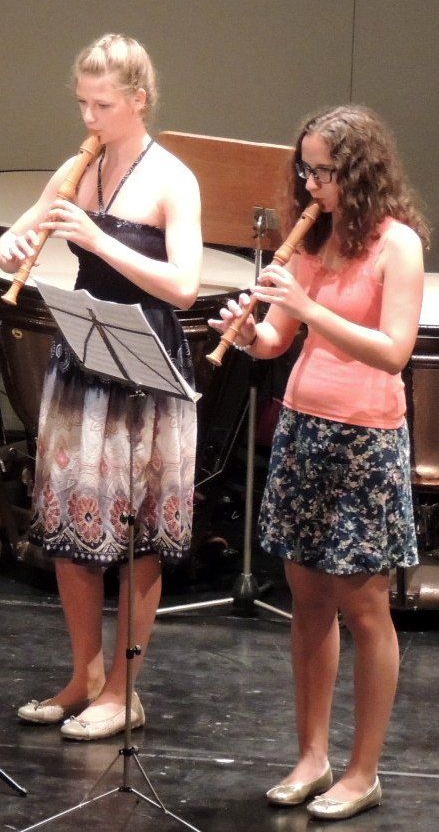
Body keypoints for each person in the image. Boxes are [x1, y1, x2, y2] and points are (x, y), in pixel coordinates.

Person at [210, 105, 423, 820]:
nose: (310, 182)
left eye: (324, 171)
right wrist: (247, 335)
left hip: (364, 441)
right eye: (304, 168)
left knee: (364, 608)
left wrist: (308, 303)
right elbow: (278, 338)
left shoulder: (397, 245)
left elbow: (391, 350)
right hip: (302, 430)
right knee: (306, 602)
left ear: (358, 172)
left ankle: (363, 771)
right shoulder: (311, 237)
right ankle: (311, 755)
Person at [0, 34, 202, 740]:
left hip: (146, 366)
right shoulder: (78, 166)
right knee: (69, 524)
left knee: (140, 534)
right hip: (83, 357)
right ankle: (83, 675)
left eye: (102, 105)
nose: (88, 118)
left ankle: (123, 688)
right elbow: (11, 241)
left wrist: (95, 237)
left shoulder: (172, 178)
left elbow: (183, 285)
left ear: (138, 100)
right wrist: (14, 246)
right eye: (82, 103)